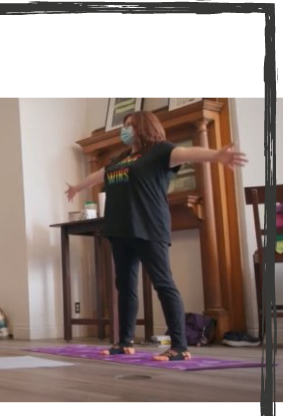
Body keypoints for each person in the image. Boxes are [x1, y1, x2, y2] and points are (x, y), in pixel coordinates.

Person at [65, 110, 247, 361]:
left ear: (145, 127)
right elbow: (101, 175)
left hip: (149, 226)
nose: (125, 129)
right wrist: (77, 187)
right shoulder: (121, 158)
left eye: (131, 125)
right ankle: (124, 342)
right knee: (125, 287)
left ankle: (180, 347)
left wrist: (216, 155)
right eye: (125, 125)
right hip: (120, 230)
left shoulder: (160, 151)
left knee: (163, 284)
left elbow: (186, 153)